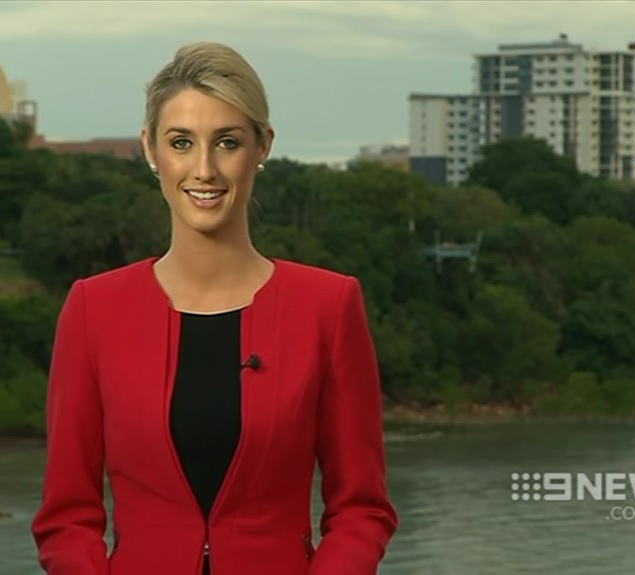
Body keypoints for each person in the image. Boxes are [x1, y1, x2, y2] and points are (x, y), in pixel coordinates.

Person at [31, 41, 398, 575]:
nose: (204, 169)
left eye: (227, 142)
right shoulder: (94, 309)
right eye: (181, 142)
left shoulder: (329, 306)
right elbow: (66, 518)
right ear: (150, 149)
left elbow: (361, 510)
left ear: (262, 146)